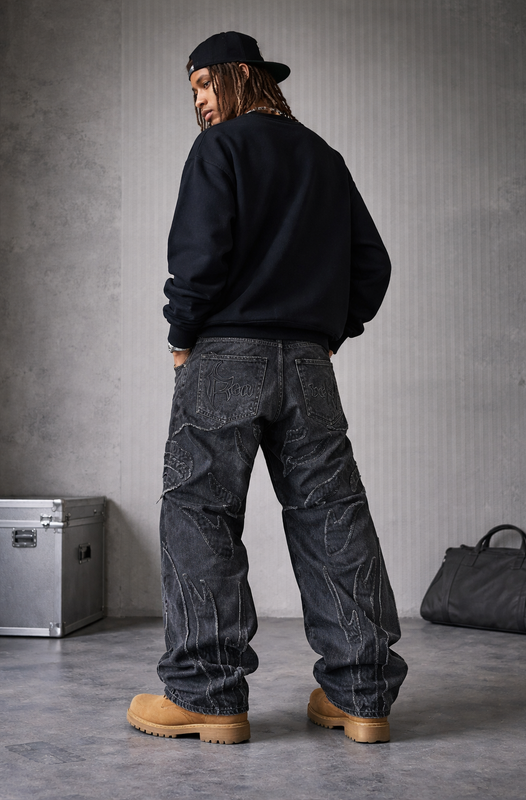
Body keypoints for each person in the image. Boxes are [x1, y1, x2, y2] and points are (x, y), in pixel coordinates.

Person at [127, 31, 407, 745]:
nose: (198, 102)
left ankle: (206, 696)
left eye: (201, 86)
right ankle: (361, 695)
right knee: (330, 518)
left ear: (237, 76)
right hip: (308, 363)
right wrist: (328, 331)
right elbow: (369, 265)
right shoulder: (322, 156)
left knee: (199, 515)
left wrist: (182, 334)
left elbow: (199, 256)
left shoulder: (219, 151)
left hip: (223, 356)